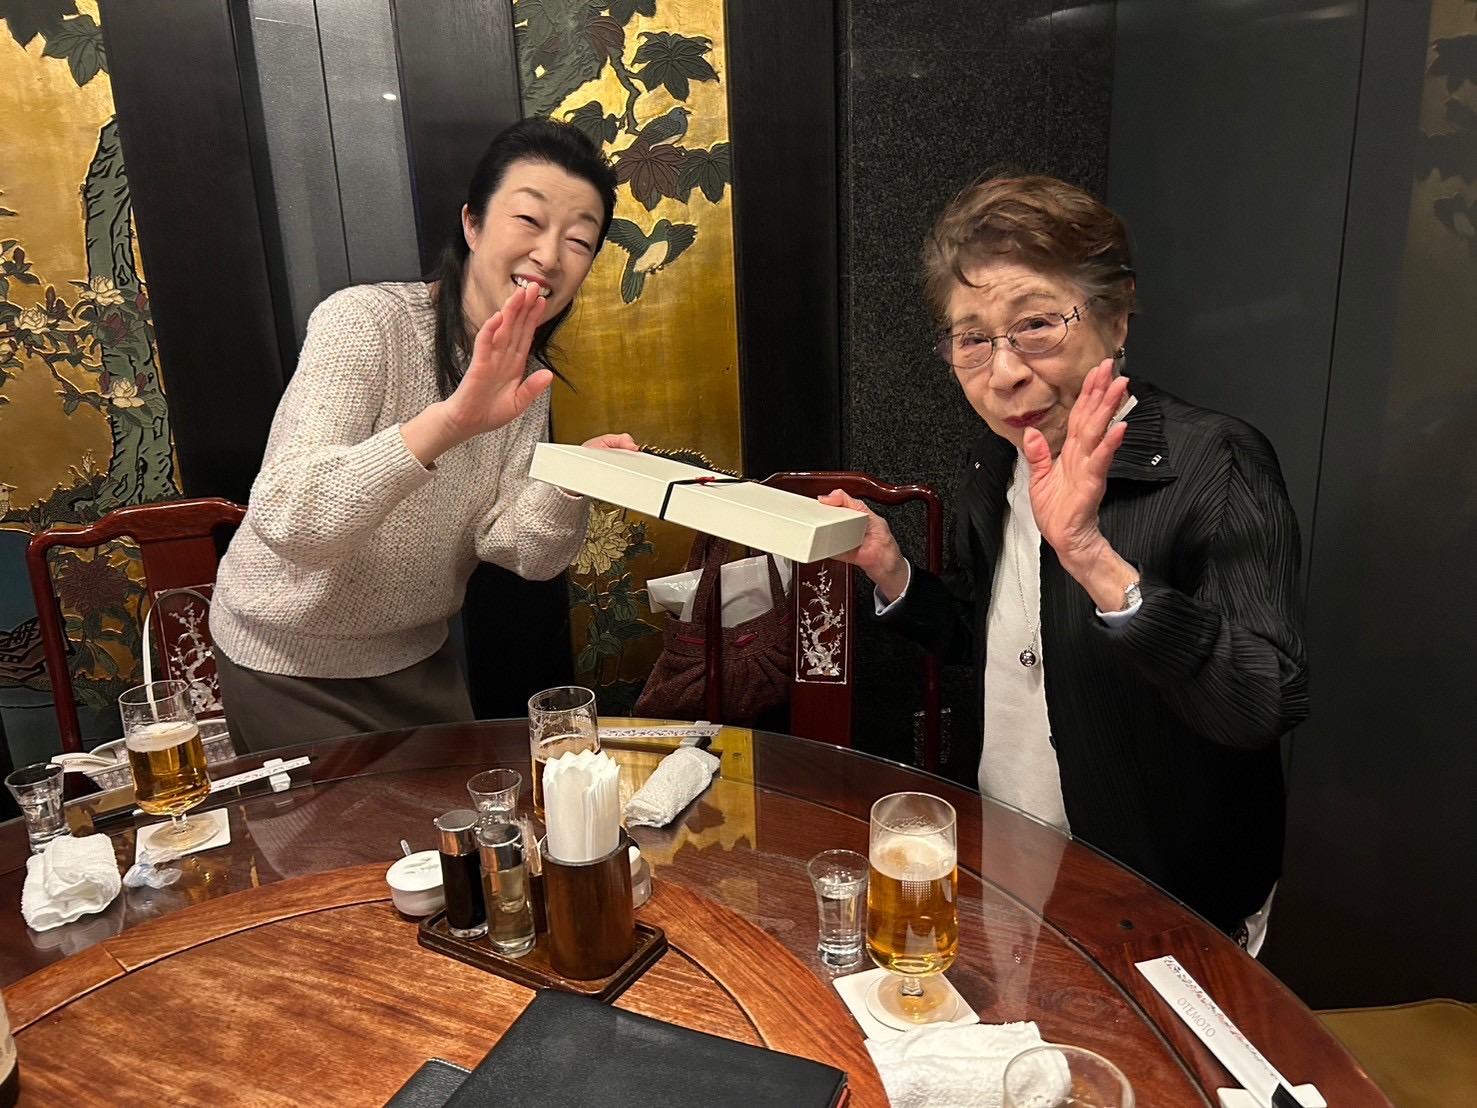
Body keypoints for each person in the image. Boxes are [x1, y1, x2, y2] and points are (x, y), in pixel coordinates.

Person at [822, 175, 1307, 948]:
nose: (1003, 373)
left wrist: (1090, 558)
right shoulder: (997, 461)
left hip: (1159, 891)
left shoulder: (1214, 462)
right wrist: (891, 571)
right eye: (972, 339)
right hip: (1009, 846)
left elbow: (1260, 702)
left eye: (1036, 325)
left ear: (1115, 317)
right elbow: (989, 635)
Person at [210, 119, 634, 751]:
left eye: (578, 240)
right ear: (472, 224)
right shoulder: (363, 323)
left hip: (417, 657)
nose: (550, 256)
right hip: (286, 662)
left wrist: (572, 482)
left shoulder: (526, 377)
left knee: (465, 815)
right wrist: (451, 421)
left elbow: (520, 548)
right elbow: (292, 518)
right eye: (529, 220)